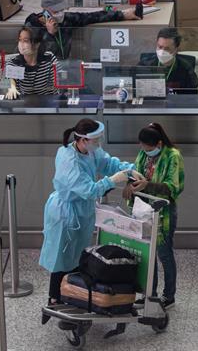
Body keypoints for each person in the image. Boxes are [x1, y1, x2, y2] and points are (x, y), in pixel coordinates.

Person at [39, 119, 145, 304]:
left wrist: (128, 170)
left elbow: (107, 163)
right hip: (66, 213)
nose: (98, 144)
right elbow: (90, 190)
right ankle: (55, 298)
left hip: (82, 211)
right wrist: (113, 180)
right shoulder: (68, 159)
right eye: (95, 140)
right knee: (62, 258)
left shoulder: (89, 151)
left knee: (78, 256)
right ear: (82, 140)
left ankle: (72, 295)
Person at [124, 122, 184, 308]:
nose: (144, 150)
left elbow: (173, 187)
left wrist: (146, 185)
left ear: (158, 144)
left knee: (164, 254)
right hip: (143, 210)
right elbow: (135, 173)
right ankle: (150, 293)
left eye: (147, 147)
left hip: (163, 212)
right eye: (142, 147)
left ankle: (169, 296)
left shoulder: (173, 156)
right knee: (146, 254)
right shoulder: (144, 153)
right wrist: (130, 185)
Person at [25, 0, 139, 60]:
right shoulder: (32, 25)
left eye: (61, 9)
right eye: (56, 11)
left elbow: (92, 16)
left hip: (64, 67)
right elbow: (37, 55)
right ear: (45, 10)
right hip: (43, 71)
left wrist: (122, 15)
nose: (60, 13)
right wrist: (50, 34)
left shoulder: (66, 19)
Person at [138, 28, 198, 94]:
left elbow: (191, 95)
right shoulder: (144, 65)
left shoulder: (186, 68)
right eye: (160, 47)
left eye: (167, 49)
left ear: (176, 49)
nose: (162, 52)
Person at [5, 26, 58, 98]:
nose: (21, 44)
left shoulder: (49, 58)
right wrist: (11, 87)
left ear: (37, 44)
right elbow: (10, 79)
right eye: (20, 40)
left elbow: (60, 80)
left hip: (47, 103)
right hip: (24, 105)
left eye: (26, 41)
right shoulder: (15, 62)